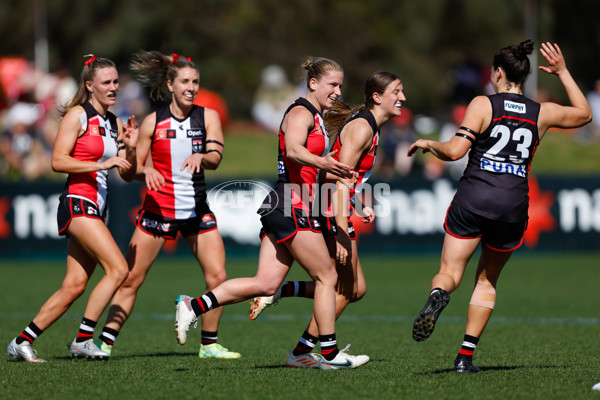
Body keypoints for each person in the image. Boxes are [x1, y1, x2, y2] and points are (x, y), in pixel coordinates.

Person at [407, 41, 592, 373]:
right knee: (487, 281)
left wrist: (429, 143)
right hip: (511, 206)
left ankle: (438, 294)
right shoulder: (542, 111)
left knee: (450, 272)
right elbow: (585, 114)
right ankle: (465, 358)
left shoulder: (482, 104)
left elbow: (453, 152)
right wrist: (563, 72)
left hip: (473, 199)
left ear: (498, 72)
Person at [174, 57, 369, 370]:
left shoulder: (317, 116)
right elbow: (293, 150)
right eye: (332, 84)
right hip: (291, 206)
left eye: (341, 85)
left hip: (291, 205)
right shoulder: (301, 111)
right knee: (327, 277)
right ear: (314, 83)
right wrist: (326, 162)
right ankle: (330, 355)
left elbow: (308, 165)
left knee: (265, 284)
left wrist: (344, 185)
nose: (338, 90)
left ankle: (192, 305)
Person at [248, 71, 407, 366]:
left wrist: (359, 201)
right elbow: (335, 182)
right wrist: (342, 225)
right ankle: (313, 351)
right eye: (397, 91)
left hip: (333, 206)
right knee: (341, 287)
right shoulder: (362, 128)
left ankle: (298, 339)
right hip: (329, 209)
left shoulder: (371, 127)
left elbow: (341, 175)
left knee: (353, 289)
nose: (403, 98)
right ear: (377, 97)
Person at [95, 51, 239, 359]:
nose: (192, 87)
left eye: (196, 81)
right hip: (159, 211)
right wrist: (138, 160)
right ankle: (104, 344)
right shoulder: (152, 122)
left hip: (197, 211)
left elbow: (216, 156)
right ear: (171, 83)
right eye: (185, 81)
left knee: (217, 278)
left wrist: (203, 156)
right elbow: (128, 171)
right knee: (132, 278)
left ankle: (209, 345)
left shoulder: (208, 116)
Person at [6, 55, 138, 362]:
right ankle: (83, 339)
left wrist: (129, 148)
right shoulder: (78, 115)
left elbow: (127, 174)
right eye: (106, 82)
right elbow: (57, 161)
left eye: (116, 81)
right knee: (119, 270)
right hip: (78, 202)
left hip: (95, 208)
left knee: (74, 286)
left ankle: (21, 341)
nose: (114, 87)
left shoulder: (115, 122)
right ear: (90, 86)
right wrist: (100, 163)